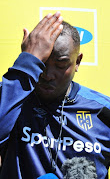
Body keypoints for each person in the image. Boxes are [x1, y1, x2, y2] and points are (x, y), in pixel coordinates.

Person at [0, 11, 110, 179]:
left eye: (60, 64)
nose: (47, 74)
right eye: (41, 63)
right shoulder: (12, 99)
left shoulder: (103, 110)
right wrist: (26, 63)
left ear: (77, 62)